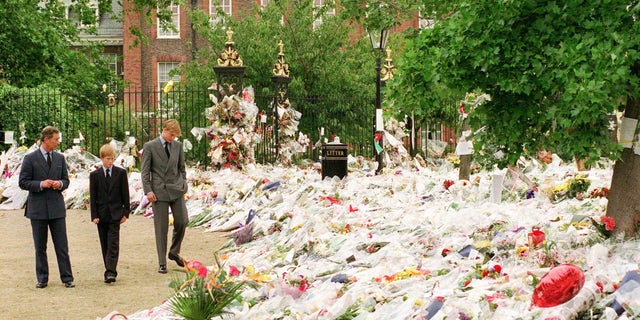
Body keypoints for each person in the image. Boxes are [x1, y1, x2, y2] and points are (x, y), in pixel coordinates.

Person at [18, 126, 75, 289]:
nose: (58, 142)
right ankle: (42, 278)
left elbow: (66, 180)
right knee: (40, 247)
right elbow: (22, 182)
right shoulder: (30, 158)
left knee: (62, 245)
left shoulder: (60, 158)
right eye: (56, 139)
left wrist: (60, 184)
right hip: (37, 209)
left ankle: (67, 278)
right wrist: (41, 184)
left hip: (56, 208)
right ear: (46, 139)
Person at [141, 119, 188, 273]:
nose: (173, 138)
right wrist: (148, 190)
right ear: (165, 130)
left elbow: (182, 168)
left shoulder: (178, 146)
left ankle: (174, 252)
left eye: (175, 136)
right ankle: (162, 262)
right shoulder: (150, 146)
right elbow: (145, 171)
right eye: (172, 135)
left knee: (182, 221)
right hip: (159, 191)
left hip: (177, 189)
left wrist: (184, 183)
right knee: (161, 228)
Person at [89, 144, 130, 283]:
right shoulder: (94, 175)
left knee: (113, 243)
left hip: (115, 214)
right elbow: (93, 197)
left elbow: (125, 194)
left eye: (112, 159)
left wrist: (126, 212)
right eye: (107, 159)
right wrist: (94, 215)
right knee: (104, 243)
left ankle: (111, 271)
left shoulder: (120, 173)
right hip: (101, 215)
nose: (110, 161)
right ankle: (108, 267)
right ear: (101, 158)